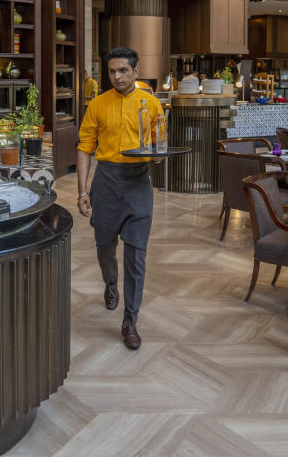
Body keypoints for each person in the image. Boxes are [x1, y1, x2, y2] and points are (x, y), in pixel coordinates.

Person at [76, 47, 164, 351]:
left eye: (123, 71)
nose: (117, 76)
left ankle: (130, 319)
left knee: (136, 254)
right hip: (106, 182)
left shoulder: (152, 105)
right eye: (112, 71)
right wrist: (83, 190)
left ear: (136, 72)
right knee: (104, 246)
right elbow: (85, 147)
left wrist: (160, 154)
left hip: (139, 183)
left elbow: (159, 149)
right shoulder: (97, 105)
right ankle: (110, 283)